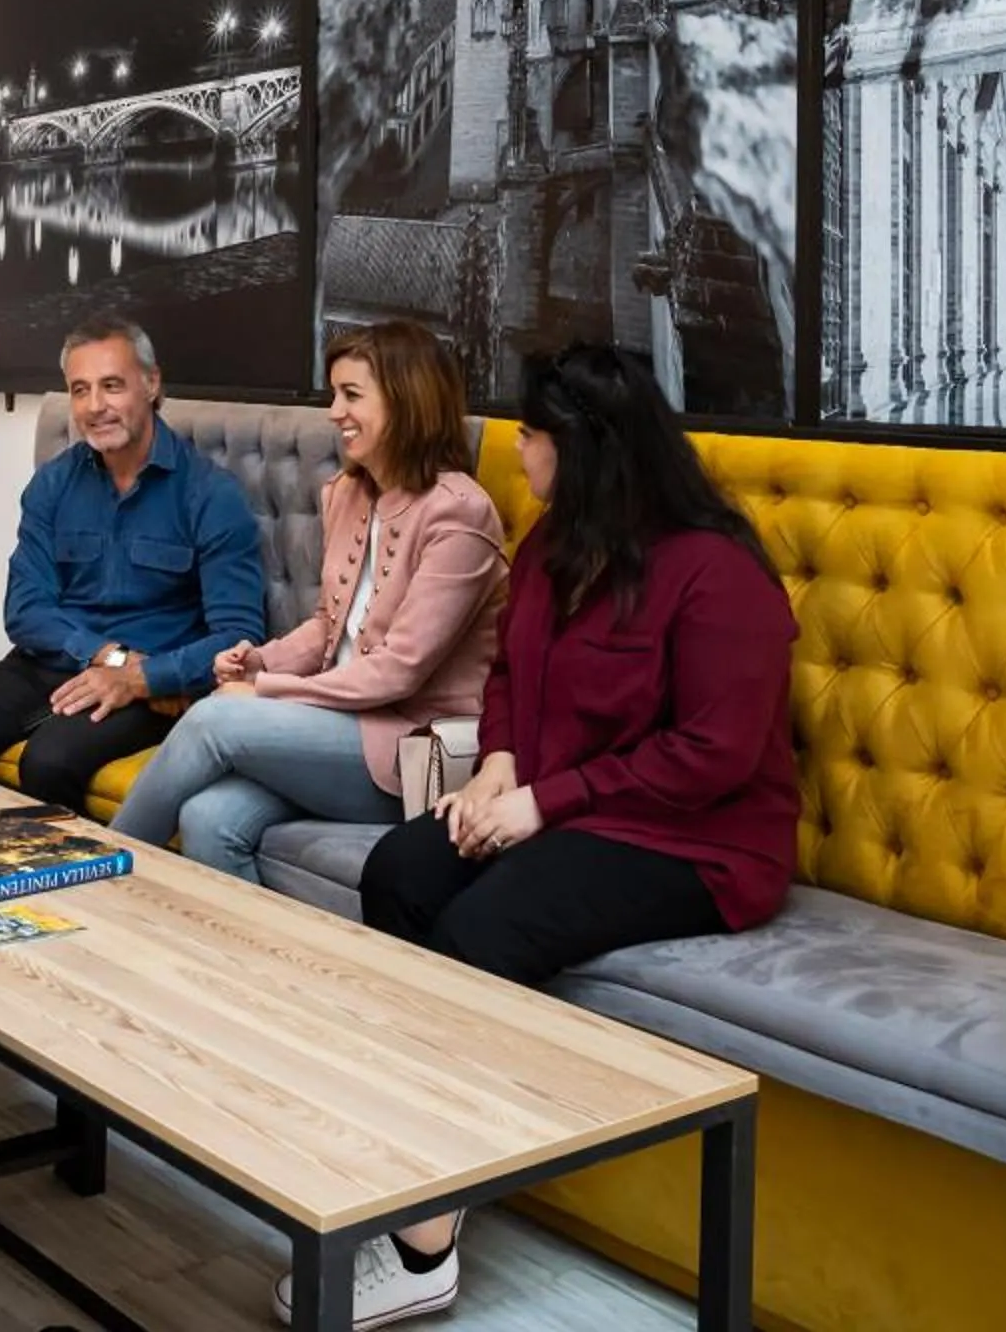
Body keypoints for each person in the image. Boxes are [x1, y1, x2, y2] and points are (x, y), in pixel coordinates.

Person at [285, 344, 798, 1330]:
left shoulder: (715, 572)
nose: (515, 446)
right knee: (400, 867)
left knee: (484, 928)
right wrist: (501, 765)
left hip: (694, 838)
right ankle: (404, 1141)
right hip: (561, 797)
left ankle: (422, 1237)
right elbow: (511, 674)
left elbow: (713, 753)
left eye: (530, 431)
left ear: (583, 446)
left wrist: (546, 800)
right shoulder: (557, 541)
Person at [110, 322, 503, 883]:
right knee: (208, 818)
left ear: (408, 399)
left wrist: (264, 692)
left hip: (412, 752)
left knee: (217, 716)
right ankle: (239, 968)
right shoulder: (348, 493)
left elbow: (399, 672)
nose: (334, 412)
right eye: (334, 394)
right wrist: (261, 662)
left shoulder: (458, 513)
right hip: (333, 729)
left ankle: (95, 873)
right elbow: (328, 626)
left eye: (352, 395)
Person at [0, 316, 264, 812]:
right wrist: (108, 656)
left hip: (151, 691)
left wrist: (142, 678)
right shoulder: (54, 483)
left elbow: (239, 638)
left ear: (151, 383)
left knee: (50, 761)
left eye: (111, 386)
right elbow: (25, 609)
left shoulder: (210, 496)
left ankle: (54, 886)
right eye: (80, 390)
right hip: (49, 665)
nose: (95, 406)